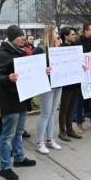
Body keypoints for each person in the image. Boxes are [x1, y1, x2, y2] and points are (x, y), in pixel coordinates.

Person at [0, 25, 36, 180]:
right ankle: (5, 167)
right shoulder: (2, 55)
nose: (24, 39)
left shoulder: (21, 52)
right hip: (10, 100)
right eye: (21, 37)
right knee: (7, 136)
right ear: (12, 37)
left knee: (18, 132)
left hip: (22, 98)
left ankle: (19, 158)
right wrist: (7, 78)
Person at [34, 24, 63, 154]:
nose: (58, 34)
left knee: (52, 112)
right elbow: (33, 68)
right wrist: (42, 70)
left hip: (57, 83)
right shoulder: (40, 49)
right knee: (45, 113)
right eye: (56, 32)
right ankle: (40, 142)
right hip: (46, 85)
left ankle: (50, 139)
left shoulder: (56, 48)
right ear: (49, 33)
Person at [57, 27, 82, 141]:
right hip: (66, 84)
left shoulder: (75, 48)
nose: (74, 36)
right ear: (65, 36)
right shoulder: (60, 49)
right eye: (72, 34)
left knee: (71, 108)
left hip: (76, 82)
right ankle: (62, 132)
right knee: (64, 109)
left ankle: (70, 130)